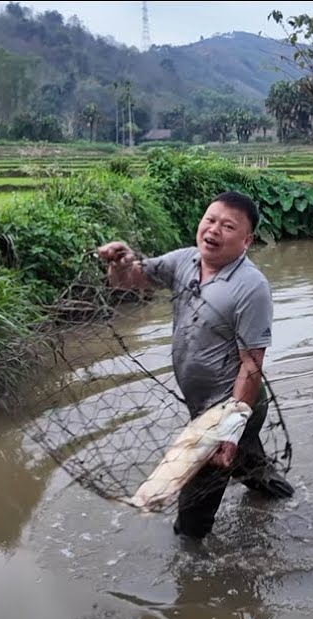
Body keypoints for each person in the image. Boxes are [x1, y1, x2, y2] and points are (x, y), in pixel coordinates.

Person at [97, 190, 294, 540]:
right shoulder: (185, 261)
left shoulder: (251, 287)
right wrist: (120, 262)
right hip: (205, 406)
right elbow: (129, 281)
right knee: (249, 466)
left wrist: (228, 432)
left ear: (247, 240)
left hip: (230, 409)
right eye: (210, 219)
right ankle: (285, 498)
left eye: (228, 226)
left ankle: (194, 575)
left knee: (191, 515)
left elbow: (251, 365)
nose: (214, 230)